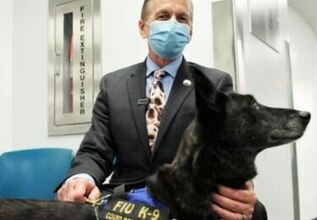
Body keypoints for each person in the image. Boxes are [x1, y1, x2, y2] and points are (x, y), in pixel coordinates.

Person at [57, 0, 267, 219]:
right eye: (163, 16)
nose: (173, 24)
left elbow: (227, 149)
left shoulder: (214, 83)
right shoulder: (113, 85)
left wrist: (239, 184)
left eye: (182, 18)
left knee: (254, 212)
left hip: (186, 201)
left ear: (190, 32)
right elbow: (96, 150)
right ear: (143, 28)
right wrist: (81, 178)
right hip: (124, 203)